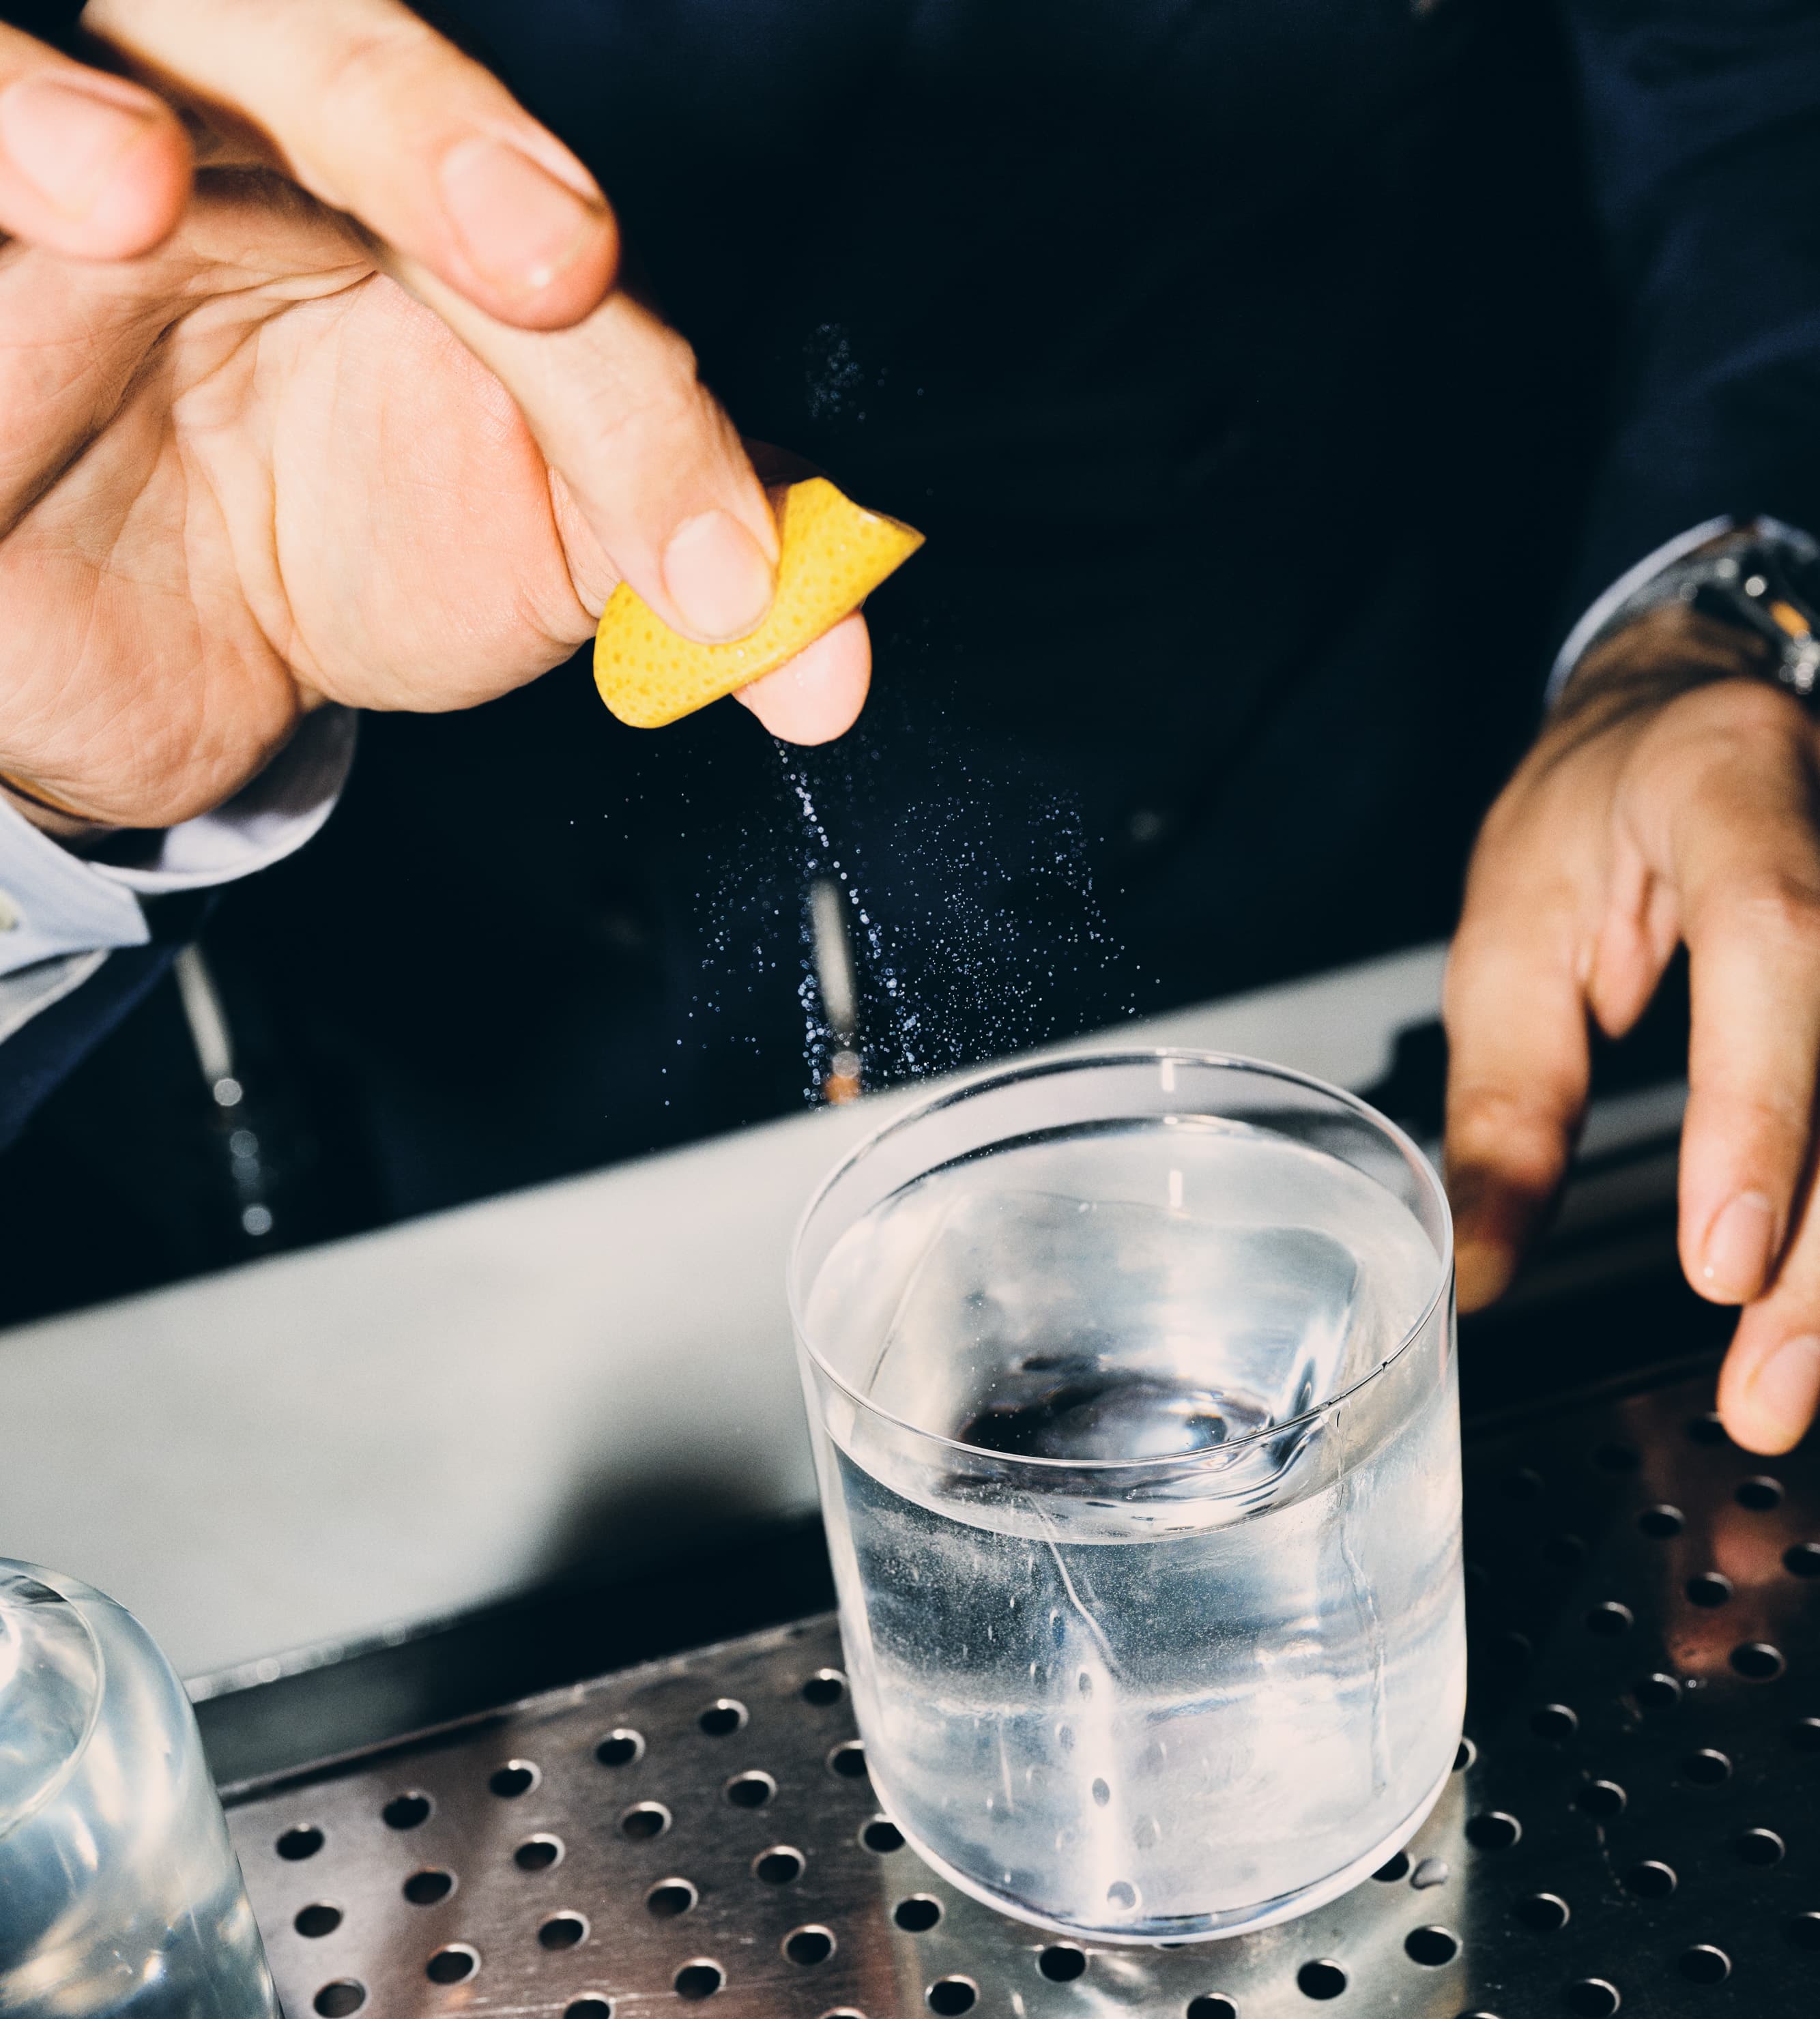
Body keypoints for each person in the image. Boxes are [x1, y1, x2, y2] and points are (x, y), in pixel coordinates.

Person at [2, 0, 1819, 1457]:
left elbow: (1757, 82)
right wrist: (31, 804)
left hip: (1293, 903)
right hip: (404, 1083)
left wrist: (1720, 600)